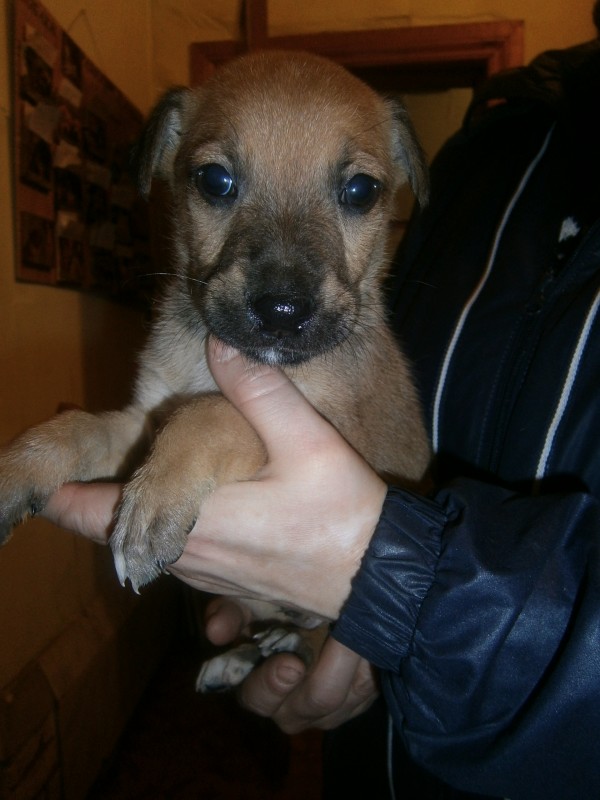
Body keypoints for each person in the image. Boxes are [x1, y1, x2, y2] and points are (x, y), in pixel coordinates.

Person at [43, 9, 600, 800]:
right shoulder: (499, 144)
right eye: (218, 183)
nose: (284, 292)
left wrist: (401, 597)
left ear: (394, 182)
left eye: (356, 191)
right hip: (374, 758)